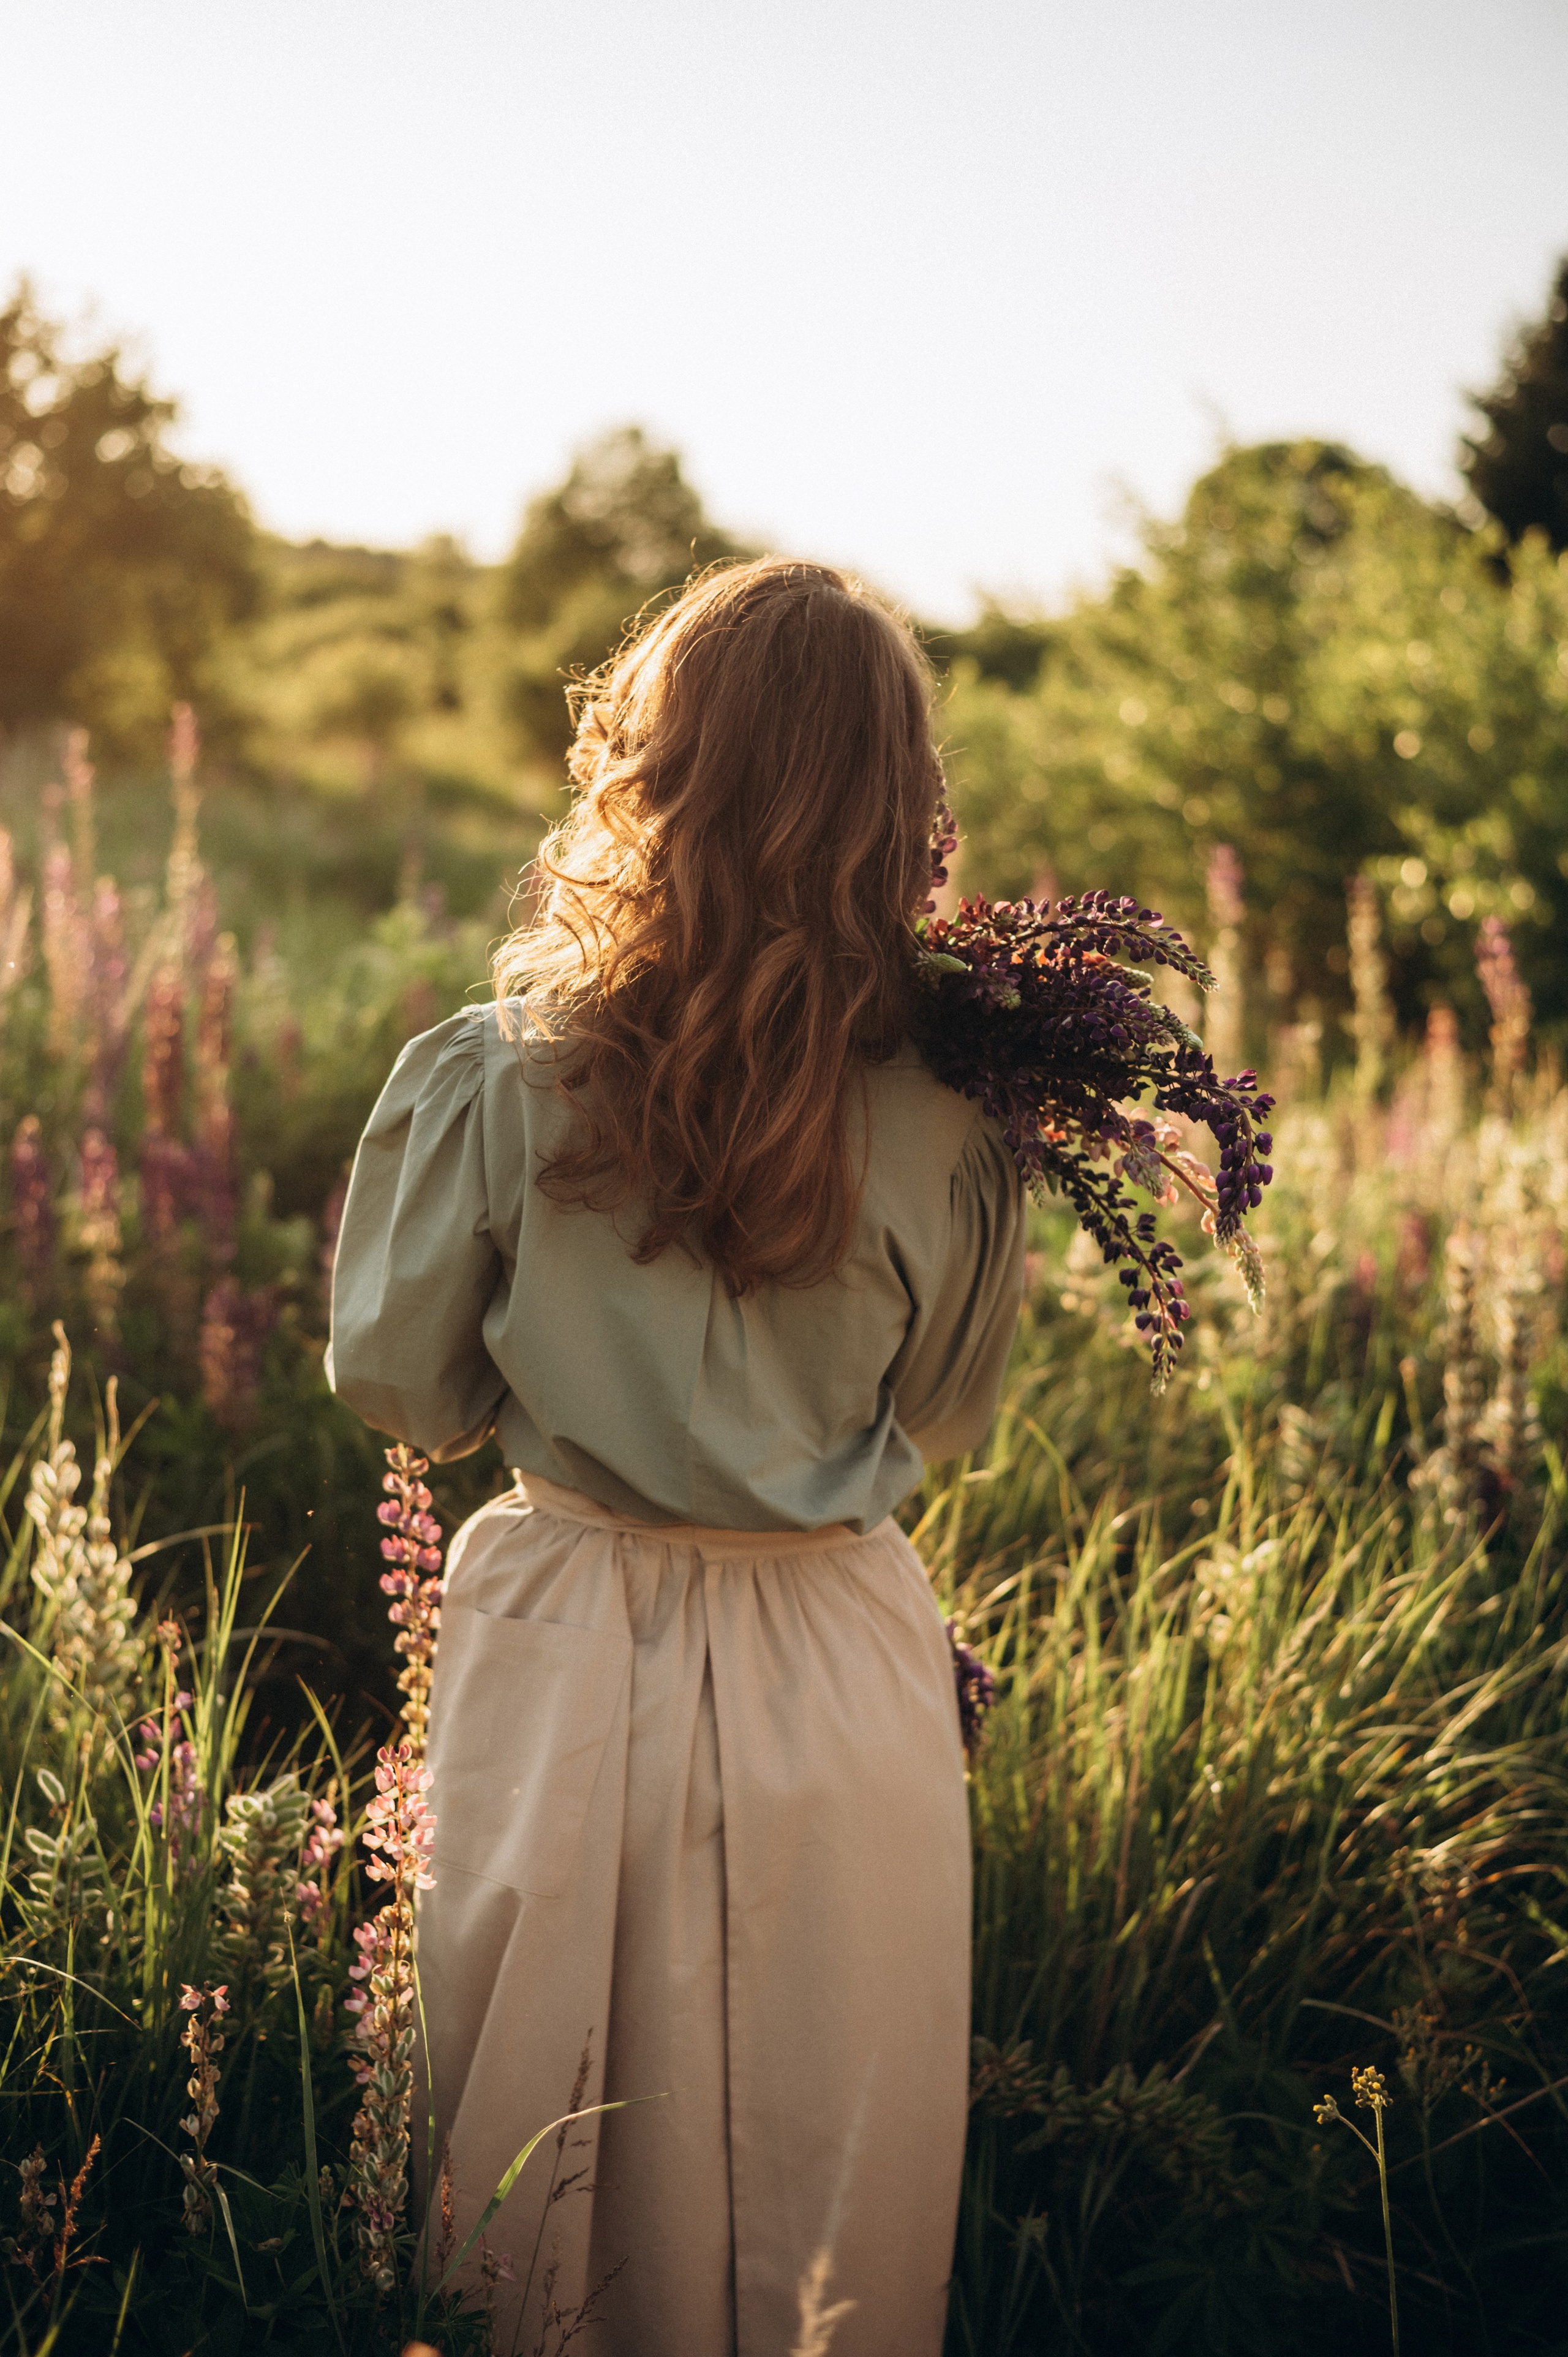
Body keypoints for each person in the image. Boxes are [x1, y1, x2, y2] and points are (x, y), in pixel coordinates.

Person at [328, 556, 1026, 2356]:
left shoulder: (499, 1072)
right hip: (840, 1656)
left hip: (568, 1635)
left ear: (655, 770)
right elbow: (946, 1420)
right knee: (825, 2148)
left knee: (537, 2156)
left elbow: (403, 1395)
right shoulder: (964, 1118)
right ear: (901, 800)